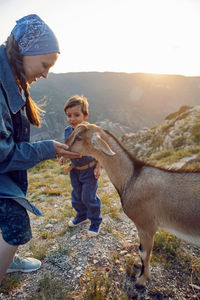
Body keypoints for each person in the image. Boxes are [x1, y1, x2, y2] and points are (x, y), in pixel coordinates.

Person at [0, 14, 81, 285]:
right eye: (45, 64)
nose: (46, 74)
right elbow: (4, 154)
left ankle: (7, 260)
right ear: (24, 51)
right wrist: (48, 148)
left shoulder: (12, 76)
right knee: (16, 223)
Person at [60, 95, 102, 237]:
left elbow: (99, 151)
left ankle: (96, 220)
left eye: (76, 115)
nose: (72, 119)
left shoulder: (91, 132)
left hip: (89, 169)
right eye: (69, 115)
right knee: (77, 194)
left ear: (85, 115)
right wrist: (63, 156)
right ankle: (82, 215)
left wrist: (98, 167)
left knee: (88, 196)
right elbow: (67, 146)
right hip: (75, 170)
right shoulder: (68, 130)